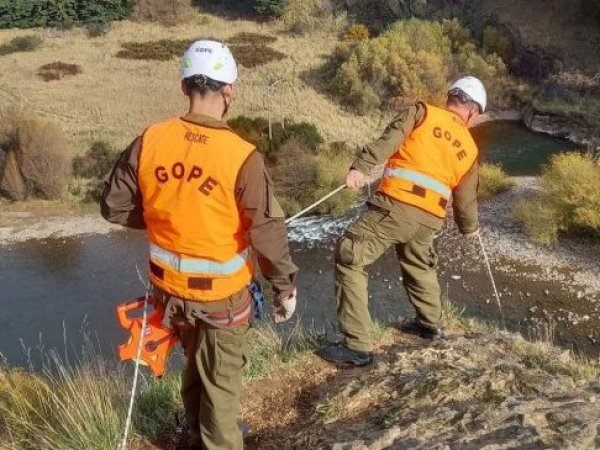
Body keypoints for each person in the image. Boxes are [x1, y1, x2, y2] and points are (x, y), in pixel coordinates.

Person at [101, 40, 298, 450]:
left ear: (184, 86)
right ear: (229, 91)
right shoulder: (241, 155)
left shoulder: (151, 139)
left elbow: (113, 206)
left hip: (169, 294)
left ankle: (197, 434)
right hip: (221, 299)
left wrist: (169, 214)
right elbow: (266, 231)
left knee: (196, 367)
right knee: (221, 384)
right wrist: (284, 288)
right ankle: (217, 440)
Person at [317, 76, 486, 367]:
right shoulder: (470, 149)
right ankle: (430, 325)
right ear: (472, 111)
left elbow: (389, 139)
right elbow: (466, 197)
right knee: (419, 264)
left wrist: (361, 167)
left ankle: (357, 346)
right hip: (430, 219)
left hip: (397, 205)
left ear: (452, 98)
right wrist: (469, 227)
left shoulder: (423, 113)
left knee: (350, 254)